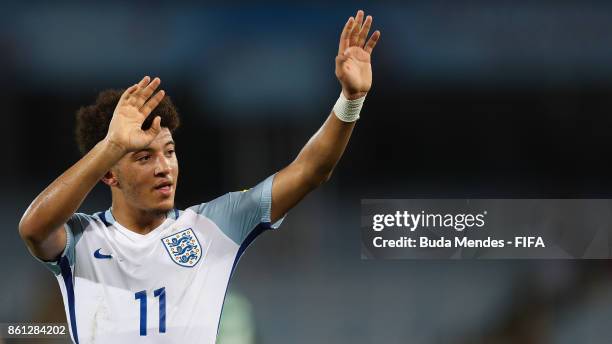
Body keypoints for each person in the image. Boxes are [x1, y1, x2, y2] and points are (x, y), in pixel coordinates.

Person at [18, 10, 380, 343]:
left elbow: (310, 171)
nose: (164, 167)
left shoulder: (214, 226)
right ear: (109, 175)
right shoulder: (82, 240)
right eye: (144, 157)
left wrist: (350, 100)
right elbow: (33, 229)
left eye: (170, 152)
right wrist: (111, 145)